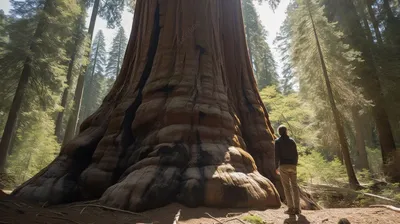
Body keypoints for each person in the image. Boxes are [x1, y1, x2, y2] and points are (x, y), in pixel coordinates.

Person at [275, 125, 300, 215]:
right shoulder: (292, 141)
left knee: (287, 188)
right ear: (286, 131)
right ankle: (297, 209)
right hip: (293, 166)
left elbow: (277, 156)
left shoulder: (277, 142)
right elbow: (296, 154)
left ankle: (290, 208)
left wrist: (276, 167)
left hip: (283, 166)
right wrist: (295, 164)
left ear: (279, 132)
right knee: (294, 186)